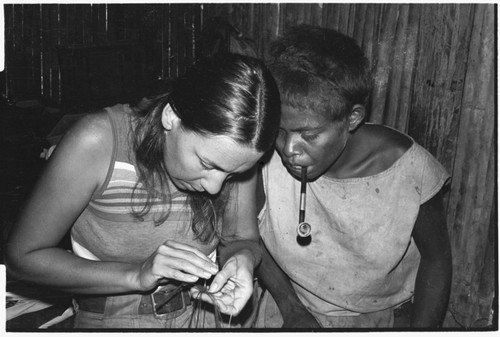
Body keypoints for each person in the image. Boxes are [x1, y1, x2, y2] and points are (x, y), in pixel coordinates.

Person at [5, 53, 281, 329]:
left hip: (206, 312)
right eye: (206, 164)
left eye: (234, 174)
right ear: (171, 117)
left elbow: (241, 237)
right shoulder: (99, 141)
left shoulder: (235, 153)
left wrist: (242, 258)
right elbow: (23, 257)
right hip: (115, 318)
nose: (215, 187)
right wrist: (136, 275)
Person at [254, 25, 452, 329]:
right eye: (279, 130)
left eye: (308, 134)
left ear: (353, 118)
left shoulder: (408, 170)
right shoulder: (260, 158)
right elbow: (246, 236)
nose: (289, 149)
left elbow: (436, 261)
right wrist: (291, 309)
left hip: (383, 316)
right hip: (290, 307)